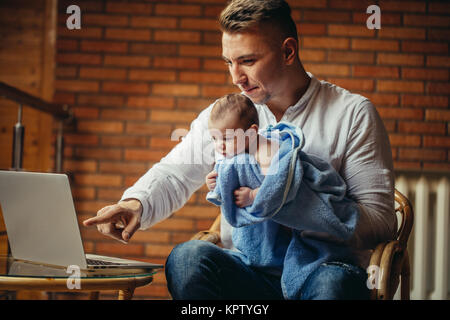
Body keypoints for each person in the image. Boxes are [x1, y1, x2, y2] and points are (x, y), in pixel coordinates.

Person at [83, 0, 396, 300]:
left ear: (288, 51)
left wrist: (291, 203)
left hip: (324, 271)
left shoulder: (352, 113)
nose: (235, 77)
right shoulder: (227, 115)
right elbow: (176, 172)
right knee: (187, 258)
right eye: (229, 62)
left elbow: (379, 222)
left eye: (247, 61)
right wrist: (136, 203)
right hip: (250, 270)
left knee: (335, 283)